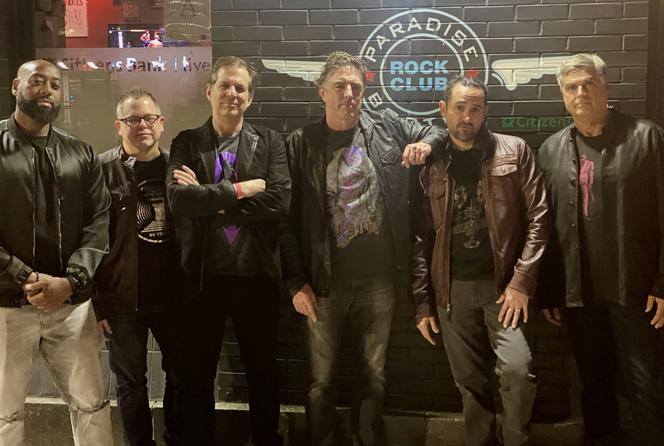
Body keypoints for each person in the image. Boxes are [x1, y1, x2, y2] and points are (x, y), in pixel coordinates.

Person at [280, 51, 444, 446]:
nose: (349, 94)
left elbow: (435, 130)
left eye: (356, 86)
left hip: (379, 281)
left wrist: (425, 146)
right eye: (340, 86)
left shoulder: (387, 127)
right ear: (322, 92)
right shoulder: (300, 144)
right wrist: (295, 282)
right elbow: (284, 221)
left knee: (374, 373)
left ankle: (367, 440)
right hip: (323, 284)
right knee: (321, 379)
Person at [412, 75, 549, 446]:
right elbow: (422, 237)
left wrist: (522, 281)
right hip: (452, 291)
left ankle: (515, 440)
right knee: (469, 382)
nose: (467, 117)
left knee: (518, 371)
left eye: (475, 108)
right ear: (444, 110)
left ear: (485, 111)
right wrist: (423, 301)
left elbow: (539, 218)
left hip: (503, 290)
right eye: (459, 107)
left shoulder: (514, 150)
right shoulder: (431, 163)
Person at [537, 53, 664, 446]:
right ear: (563, 95)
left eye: (588, 83)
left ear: (605, 87)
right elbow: (547, 227)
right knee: (592, 381)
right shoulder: (551, 149)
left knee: (646, 382)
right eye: (571, 87)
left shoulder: (647, 137)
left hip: (636, 289)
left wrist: (662, 283)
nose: (581, 93)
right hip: (579, 293)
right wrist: (551, 290)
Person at [166, 56, 290, 446]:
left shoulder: (269, 141)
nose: (232, 93)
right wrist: (242, 189)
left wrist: (210, 203)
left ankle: (266, 440)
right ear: (209, 91)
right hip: (203, 279)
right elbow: (178, 200)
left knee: (263, 372)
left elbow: (279, 201)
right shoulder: (187, 142)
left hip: (257, 278)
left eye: (240, 88)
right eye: (225, 85)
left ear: (249, 98)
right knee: (198, 375)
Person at [0, 59, 112, 445]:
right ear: (16, 86)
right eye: (37, 81)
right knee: (4, 413)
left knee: (92, 405)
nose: (46, 89)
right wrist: (24, 277)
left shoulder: (80, 152)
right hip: (7, 305)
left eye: (54, 84)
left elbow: (99, 221)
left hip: (71, 307)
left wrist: (72, 281)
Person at [95, 88, 183, 446]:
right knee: (130, 383)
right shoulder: (101, 170)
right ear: (119, 126)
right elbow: (89, 238)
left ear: (162, 123)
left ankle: (176, 440)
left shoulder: (178, 169)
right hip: (121, 299)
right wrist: (96, 305)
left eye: (149, 118)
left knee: (181, 375)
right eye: (133, 119)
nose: (142, 125)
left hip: (175, 296)